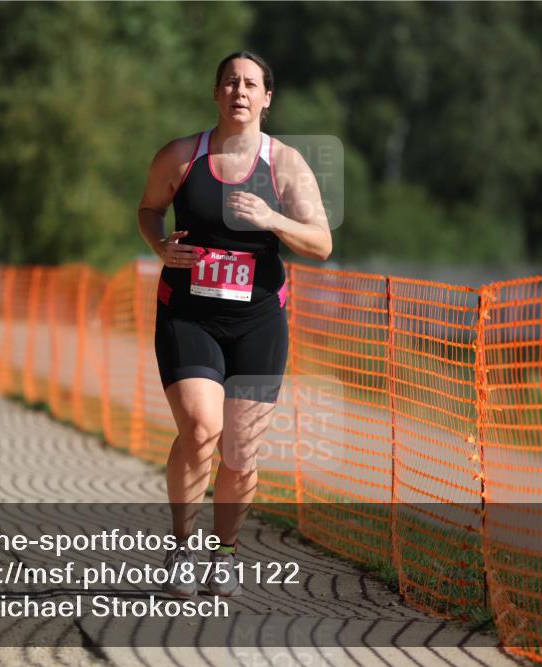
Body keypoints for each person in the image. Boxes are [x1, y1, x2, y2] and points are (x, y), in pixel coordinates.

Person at [137, 51, 332, 598]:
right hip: (189, 312)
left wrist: (272, 218)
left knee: (241, 452)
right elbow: (148, 210)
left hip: (258, 322)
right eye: (230, 83)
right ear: (216, 94)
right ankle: (181, 545)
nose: (239, 92)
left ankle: (224, 553)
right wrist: (158, 244)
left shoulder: (286, 165)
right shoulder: (180, 156)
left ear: (267, 98)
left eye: (251, 84)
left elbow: (321, 243)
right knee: (201, 429)